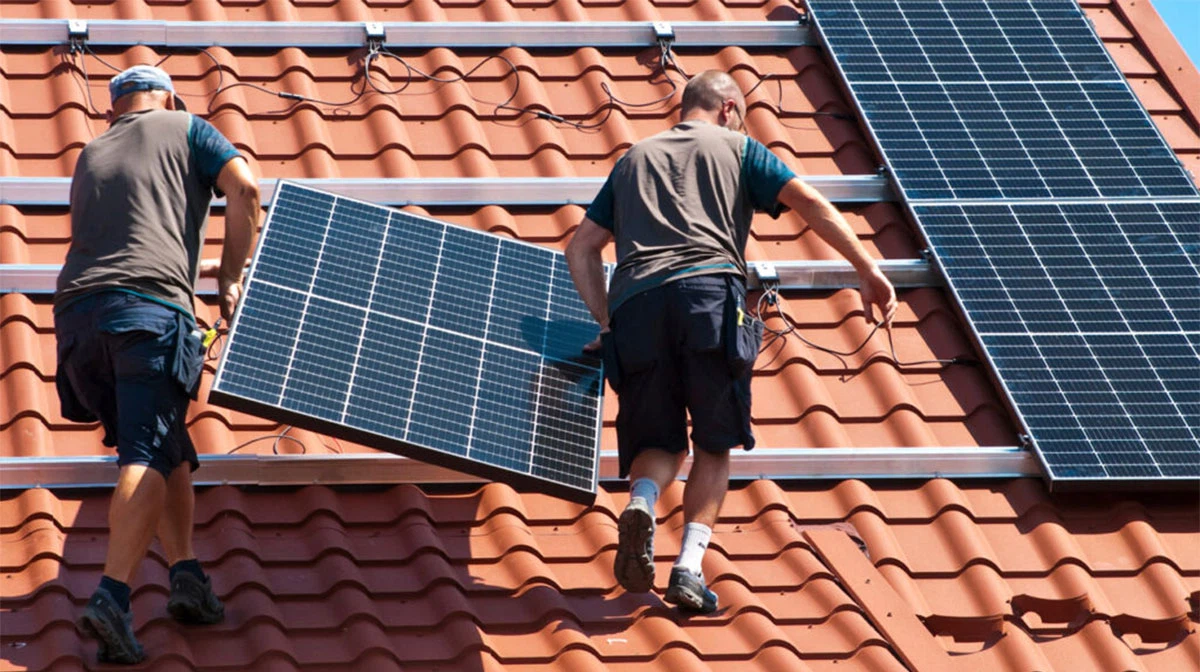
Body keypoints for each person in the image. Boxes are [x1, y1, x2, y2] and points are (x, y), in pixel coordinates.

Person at [565, 70, 897, 614]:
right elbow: (807, 201)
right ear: (726, 108)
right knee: (714, 443)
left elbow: (580, 250)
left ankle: (644, 504)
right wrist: (865, 267)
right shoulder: (740, 147)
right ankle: (689, 569)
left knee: (659, 441)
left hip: (637, 307)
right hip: (708, 298)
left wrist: (608, 325)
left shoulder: (632, 161)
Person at [54, 65, 258, 664]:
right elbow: (245, 189)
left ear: (114, 109)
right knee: (145, 452)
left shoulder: (92, 150)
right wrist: (229, 276)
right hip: (146, 312)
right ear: (167, 97)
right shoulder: (189, 126)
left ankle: (187, 575)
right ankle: (114, 597)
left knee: (166, 440)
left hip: (77, 324)